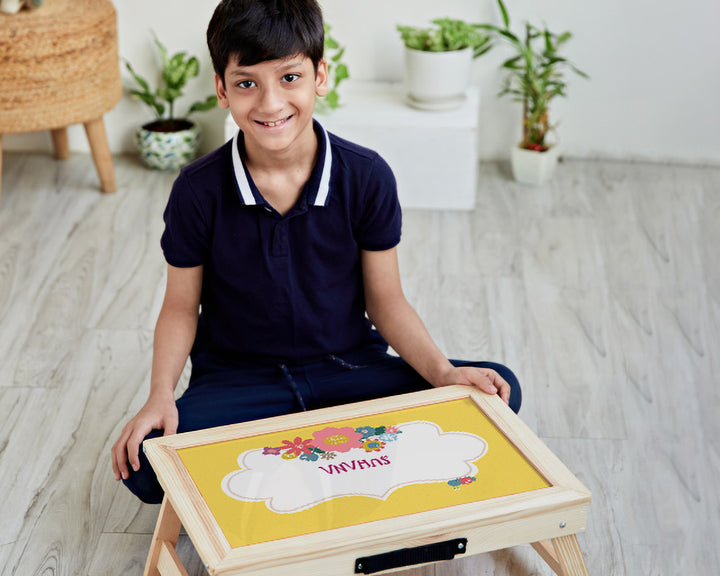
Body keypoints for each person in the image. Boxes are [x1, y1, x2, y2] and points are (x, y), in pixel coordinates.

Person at [111, 0, 521, 503]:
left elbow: (386, 300)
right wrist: (159, 396)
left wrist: (442, 374)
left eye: (289, 78)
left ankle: (300, 461)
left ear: (319, 76)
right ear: (221, 89)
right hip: (241, 383)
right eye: (246, 83)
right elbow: (179, 307)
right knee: (146, 461)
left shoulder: (366, 175)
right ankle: (337, 459)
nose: (269, 103)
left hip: (348, 371)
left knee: (494, 389)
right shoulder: (197, 190)